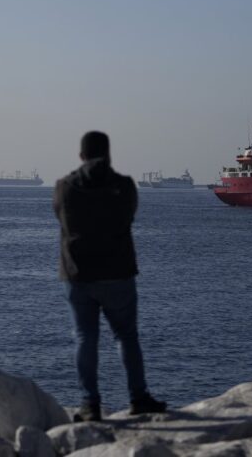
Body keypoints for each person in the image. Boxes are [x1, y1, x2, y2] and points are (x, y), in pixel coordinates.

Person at [53, 130, 167, 422]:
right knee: (126, 336)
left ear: (81, 156)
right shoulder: (124, 186)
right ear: (109, 154)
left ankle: (90, 405)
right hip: (118, 274)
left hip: (78, 276)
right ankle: (138, 398)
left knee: (84, 338)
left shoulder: (64, 188)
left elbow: (60, 217)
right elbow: (129, 216)